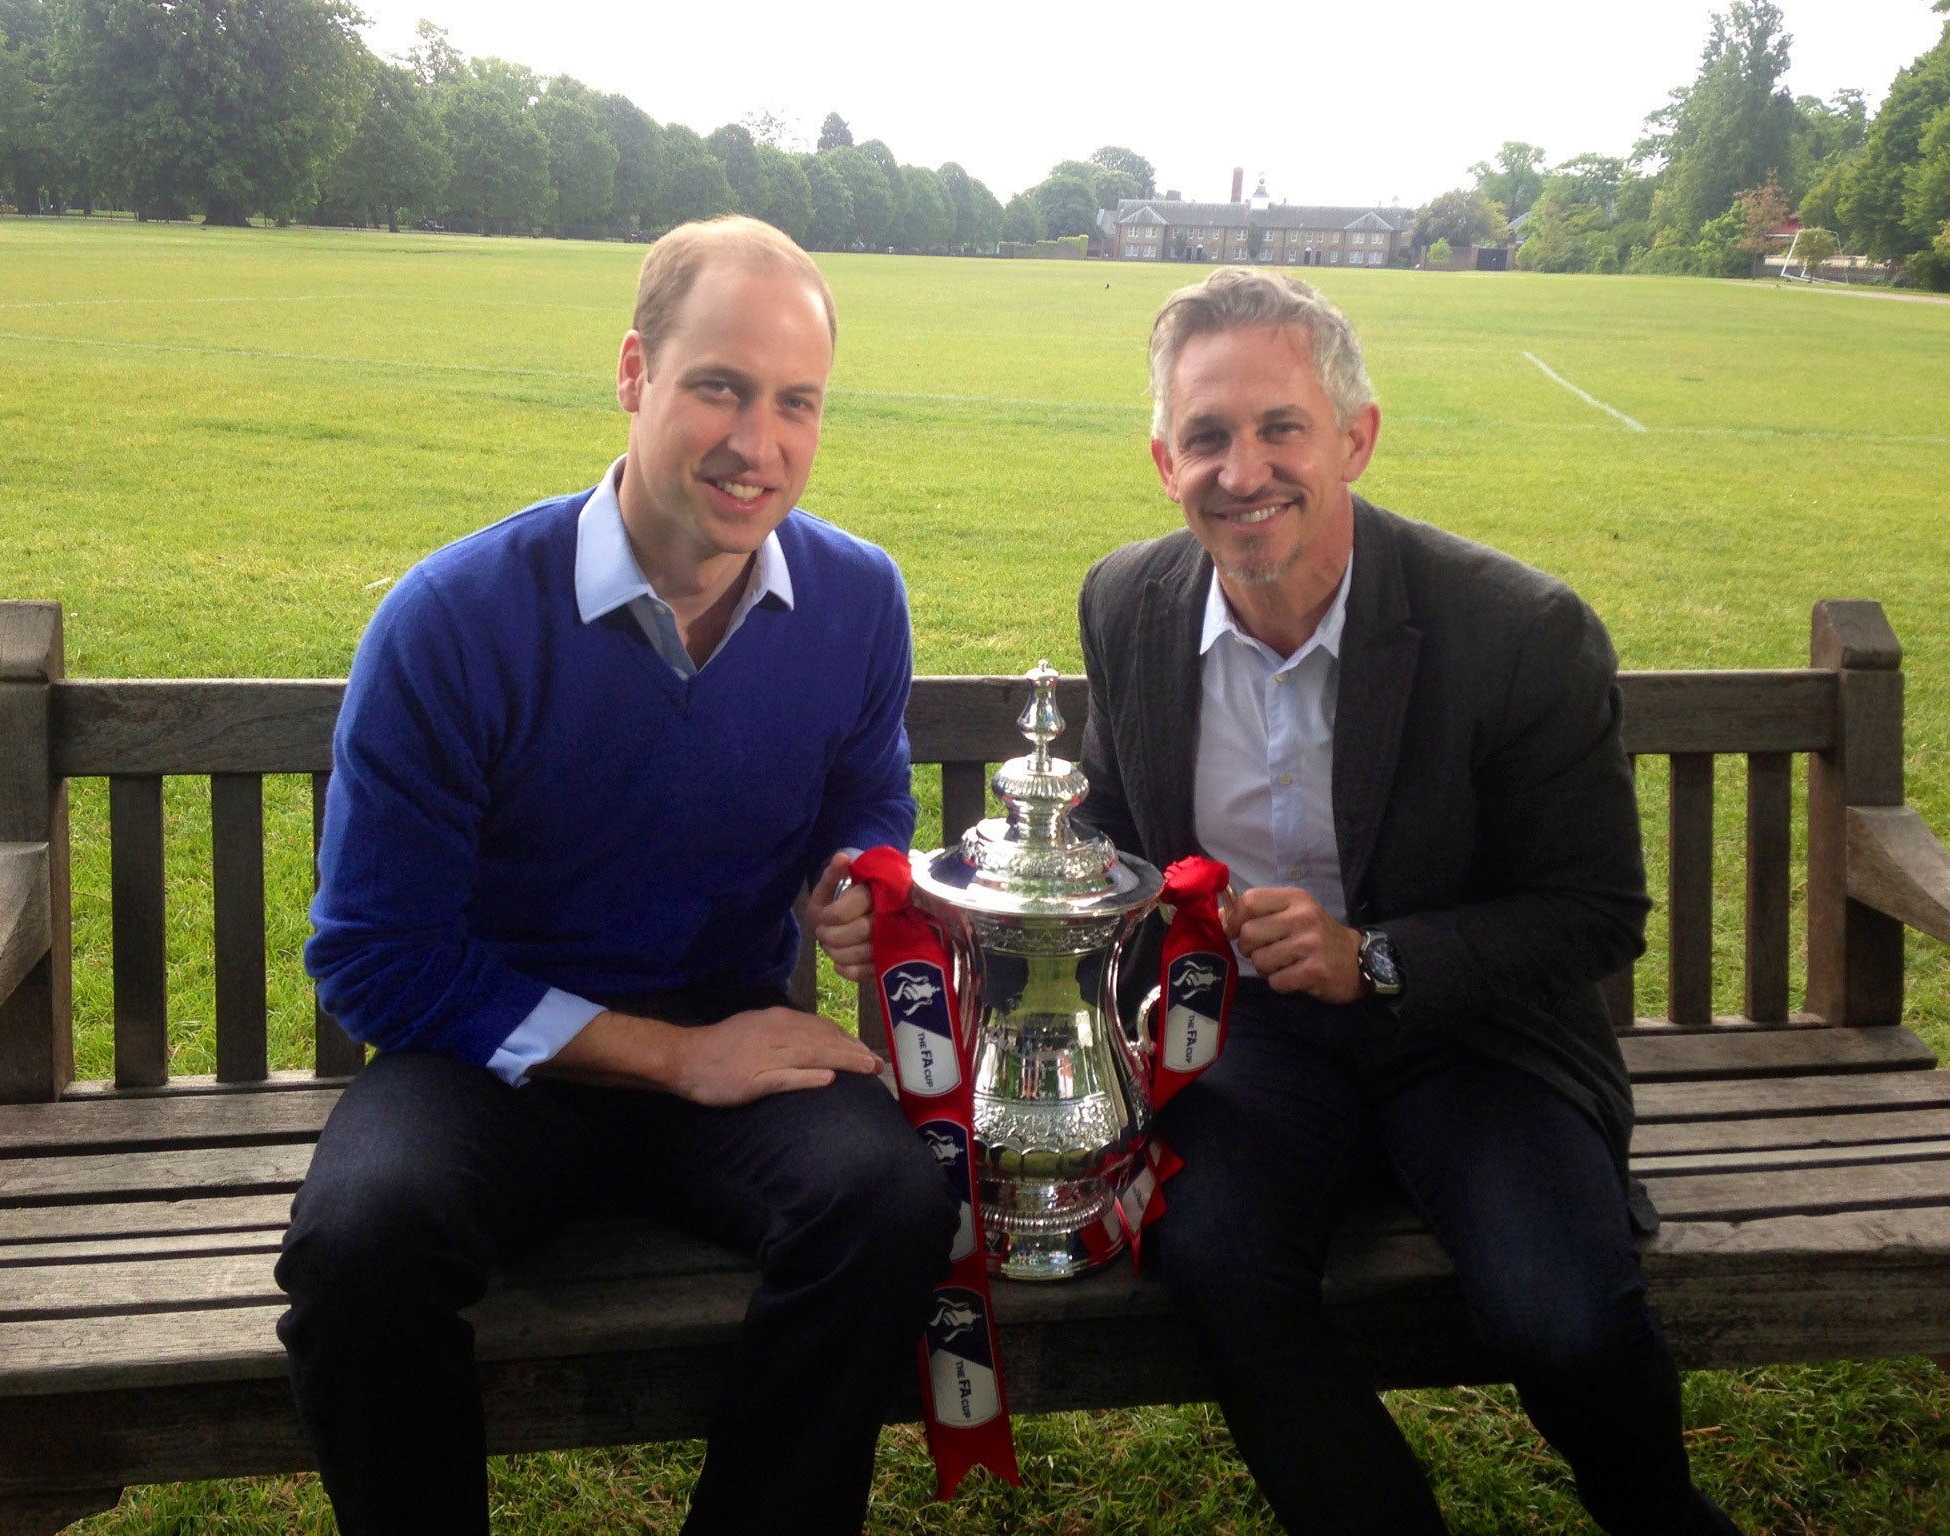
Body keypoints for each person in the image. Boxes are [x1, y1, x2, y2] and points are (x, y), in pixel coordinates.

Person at [276, 216, 957, 1536]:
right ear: (637, 373)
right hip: (487, 1061)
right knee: (361, 1248)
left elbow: (865, 819)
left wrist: (856, 892)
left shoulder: (859, 600)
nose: (757, 444)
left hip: (728, 1061)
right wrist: (670, 1058)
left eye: (795, 403)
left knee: (886, 1205)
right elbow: (375, 957)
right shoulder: (454, 619)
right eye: (720, 386)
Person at [1075, 266, 1742, 1536]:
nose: (1243, 469)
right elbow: (1108, 828)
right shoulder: (1129, 603)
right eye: (1206, 436)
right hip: (1255, 1043)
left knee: (1558, 1313)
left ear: (1355, 438)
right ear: (1164, 457)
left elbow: (1595, 912)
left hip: (1470, 1040)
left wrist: (1370, 958)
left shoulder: (1517, 630)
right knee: (1211, 1260)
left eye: (1281, 427)